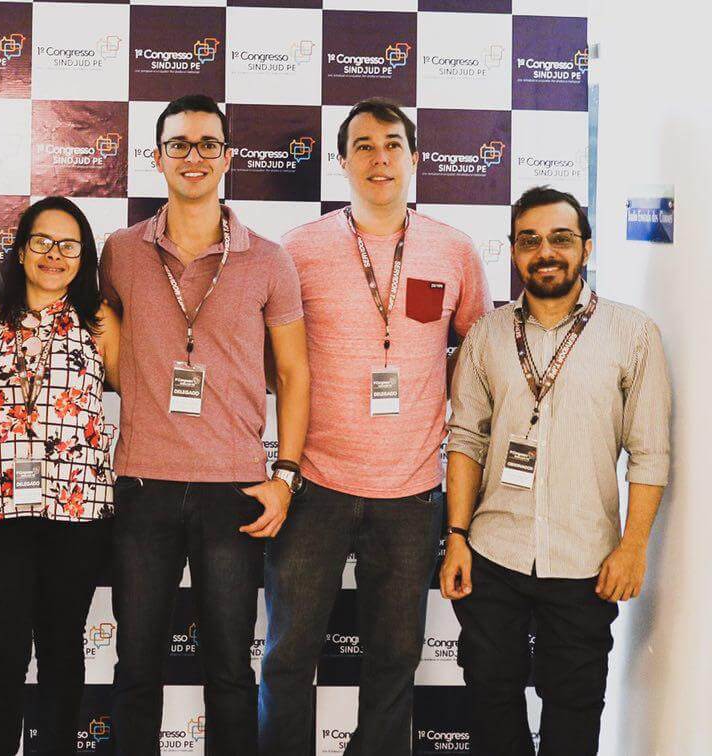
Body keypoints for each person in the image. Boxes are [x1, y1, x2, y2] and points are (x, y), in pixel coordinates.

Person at [259, 98, 493, 756]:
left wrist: (431, 396)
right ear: (342, 162)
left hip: (412, 493)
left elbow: (477, 355)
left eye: (392, 144)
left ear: (415, 158)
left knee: (393, 664)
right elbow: (273, 359)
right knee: (287, 657)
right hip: (315, 486)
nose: (379, 158)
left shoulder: (454, 250)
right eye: (363, 146)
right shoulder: (298, 250)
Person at [100, 94, 310, 755]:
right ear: (158, 157)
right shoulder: (119, 251)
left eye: (207, 144)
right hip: (143, 482)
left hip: (235, 489)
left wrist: (285, 476)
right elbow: (107, 358)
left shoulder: (269, 259)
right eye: (179, 144)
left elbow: (294, 374)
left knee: (229, 673)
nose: (193, 156)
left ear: (227, 157)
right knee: (137, 669)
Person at [441, 186, 671, 756]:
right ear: (515, 252)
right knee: (490, 698)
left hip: (585, 561)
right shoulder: (487, 334)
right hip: (495, 553)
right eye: (530, 241)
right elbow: (466, 440)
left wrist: (634, 547)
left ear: (586, 248)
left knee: (574, 707)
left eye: (561, 239)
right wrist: (457, 537)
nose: (545, 252)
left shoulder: (633, 334)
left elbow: (649, 452)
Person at [0, 197, 121, 755]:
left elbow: (137, 397)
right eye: (42, 241)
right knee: (1, 651)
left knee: (61, 648)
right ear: (20, 248)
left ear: (84, 256)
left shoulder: (100, 321)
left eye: (69, 245)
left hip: (77, 510)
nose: (55, 255)